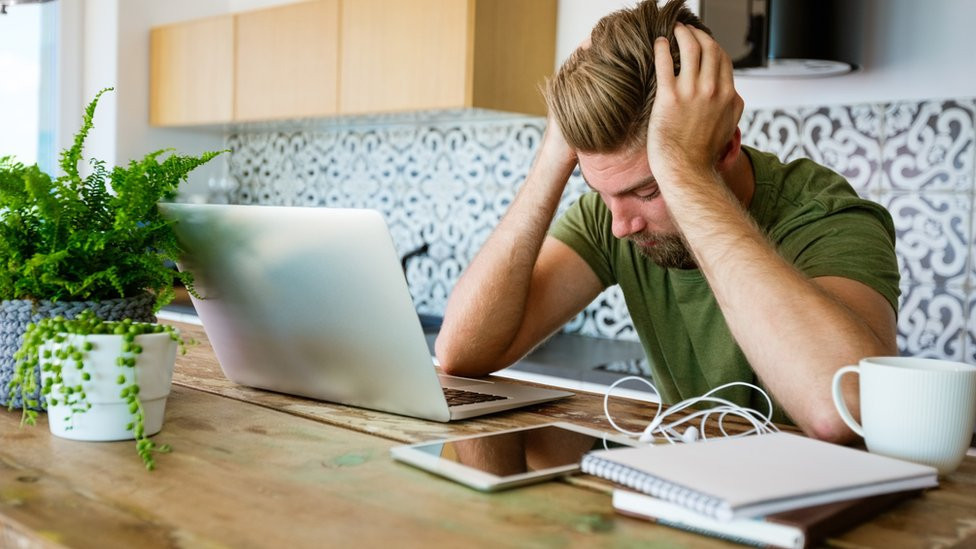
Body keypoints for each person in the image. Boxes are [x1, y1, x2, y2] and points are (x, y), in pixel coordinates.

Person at [434, 0, 899, 444]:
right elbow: (462, 354)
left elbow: (844, 410)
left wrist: (685, 171)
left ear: (725, 147)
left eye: (648, 190)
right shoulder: (614, 213)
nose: (621, 226)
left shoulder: (825, 214)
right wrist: (555, 152)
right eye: (603, 192)